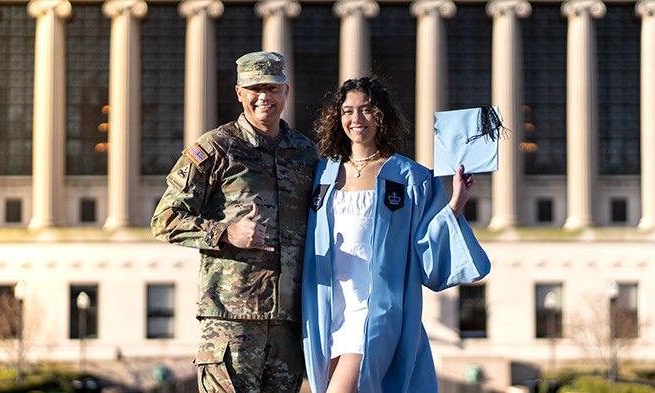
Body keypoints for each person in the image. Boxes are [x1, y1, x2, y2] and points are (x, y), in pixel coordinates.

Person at [301, 76, 491, 393]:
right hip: (325, 310)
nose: (356, 119)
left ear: (381, 116)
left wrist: (455, 203)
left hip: (375, 310)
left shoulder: (409, 177)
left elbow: (426, 248)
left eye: (366, 110)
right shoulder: (322, 173)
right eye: (348, 111)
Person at [151, 51, 318, 393]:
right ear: (239, 93)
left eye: (271, 87)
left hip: (288, 322)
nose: (263, 97)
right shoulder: (215, 149)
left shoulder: (306, 153)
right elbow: (165, 219)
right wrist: (225, 232)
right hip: (231, 319)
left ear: (286, 91)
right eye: (254, 88)